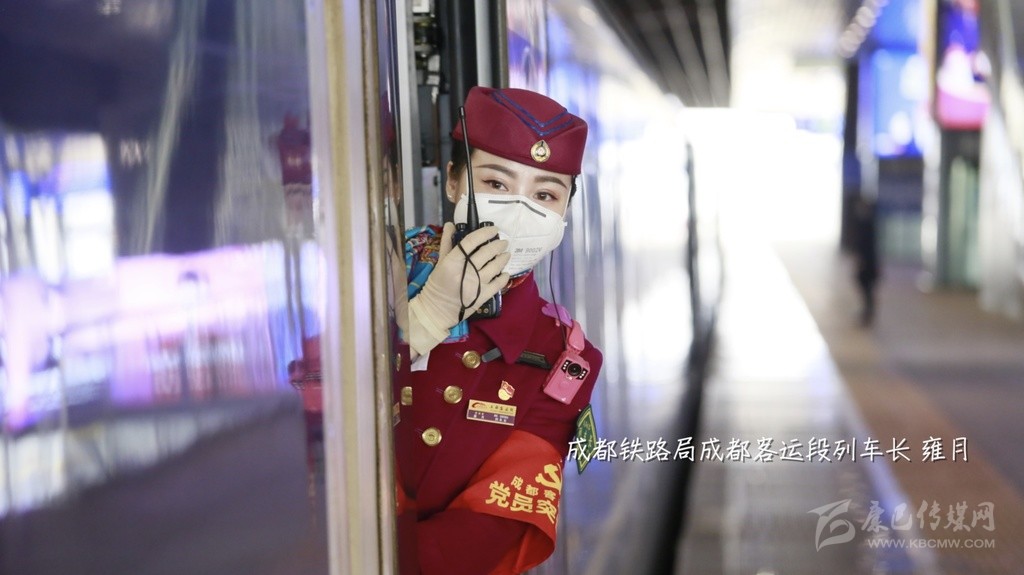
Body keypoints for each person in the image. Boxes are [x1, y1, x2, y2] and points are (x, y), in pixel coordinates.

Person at [396, 86, 603, 575]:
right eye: (496, 183)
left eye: (545, 194)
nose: (520, 208)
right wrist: (421, 321)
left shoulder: (562, 357)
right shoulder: (365, 281)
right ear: (453, 182)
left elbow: (496, 524)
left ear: (564, 213)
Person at [851, 196, 880, 326]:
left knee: (867, 289)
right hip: (868, 263)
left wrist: (862, 261)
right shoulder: (866, 224)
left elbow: (867, 247)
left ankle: (868, 312)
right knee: (866, 289)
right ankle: (867, 311)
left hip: (868, 264)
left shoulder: (867, 226)